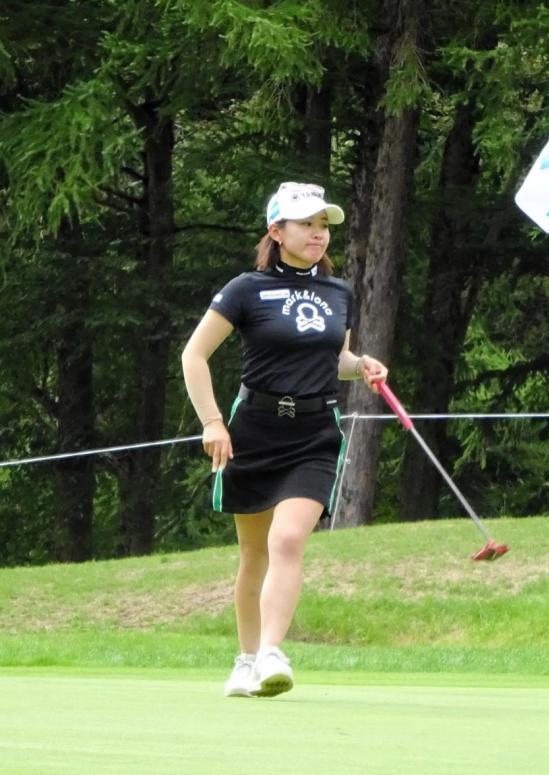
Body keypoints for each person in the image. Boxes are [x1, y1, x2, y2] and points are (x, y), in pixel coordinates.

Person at [181, 182, 388, 698]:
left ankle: (273, 651)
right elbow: (194, 356)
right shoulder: (245, 289)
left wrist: (361, 366)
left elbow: (335, 358)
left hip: (314, 431)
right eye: (307, 225)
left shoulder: (338, 292)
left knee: (288, 540)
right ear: (277, 232)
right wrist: (212, 422)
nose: (319, 234)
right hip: (253, 429)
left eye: (323, 226)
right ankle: (246, 659)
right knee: (253, 555)